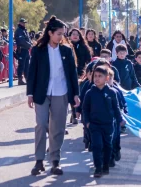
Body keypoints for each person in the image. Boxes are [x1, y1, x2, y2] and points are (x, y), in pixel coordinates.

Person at [27, 16, 80, 176]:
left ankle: (55, 161)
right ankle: (39, 161)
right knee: (41, 125)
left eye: (63, 34)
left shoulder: (66, 51)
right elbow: (32, 73)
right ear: (50, 33)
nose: (61, 37)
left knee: (58, 128)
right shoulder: (38, 50)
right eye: (59, 33)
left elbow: (72, 73)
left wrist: (76, 94)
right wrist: (29, 93)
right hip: (41, 93)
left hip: (61, 92)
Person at [82, 65, 125, 178]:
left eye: (100, 76)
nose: (96, 78)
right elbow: (85, 109)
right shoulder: (90, 93)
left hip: (108, 125)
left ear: (107, 78)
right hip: (94, 125)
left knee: (107, 146)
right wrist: (87, 122)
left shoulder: (111, 92)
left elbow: (116, 108)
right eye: (95, 76)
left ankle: (105, 165)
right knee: (97, 145)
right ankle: (98, 167)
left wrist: (120, 120)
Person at [15, 18, 32, 85]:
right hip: (21, 50)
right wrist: (29, 45)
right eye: (23, 23)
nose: (24, 24)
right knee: (21, 65)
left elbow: (28, 39)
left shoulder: (24, 30)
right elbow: (21, 41)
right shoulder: (19, 31)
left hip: (26, 50)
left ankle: (27, 78)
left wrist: (30, 44)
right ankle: (20, 79)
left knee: (27, 65)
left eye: (24, 23)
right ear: (19, 23)